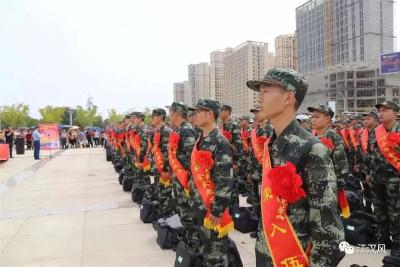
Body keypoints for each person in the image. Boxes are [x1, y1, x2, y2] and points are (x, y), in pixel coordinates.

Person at [247, 68, 345, 266]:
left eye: (266, 91)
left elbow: (329, 234)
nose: (259, 98)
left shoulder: (312, 149)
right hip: (267, 254)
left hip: (293, 257)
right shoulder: (272, 144)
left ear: (288, 98)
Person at [191, 98, 234, 267]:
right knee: (205, 250)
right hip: (199, 204)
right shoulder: (201, 139)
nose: (194, 116)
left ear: (209, 114)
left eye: (198, 112)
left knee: (216, 254)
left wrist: (217, 210)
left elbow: (225, 180)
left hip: (212, 209)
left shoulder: (219, 141)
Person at [367, 101, 400, 256]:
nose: (380, 113)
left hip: (395, 180)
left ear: (395, 113)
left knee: (396, 213)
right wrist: (368, 173)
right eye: (379, 110)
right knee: (380, 211)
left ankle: (397, 243)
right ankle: (384, 239)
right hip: (376, 179)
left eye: (385, 110)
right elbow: (370, 154)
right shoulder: (375, 132)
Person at [308, 104, 350, 218]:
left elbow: (342, 165)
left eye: (317, 117)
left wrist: (338, 187)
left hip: (328, 188)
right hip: (311, 186)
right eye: (312, 117)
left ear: (327, 119)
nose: (313, 120)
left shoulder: (334, 137)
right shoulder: (310, 136)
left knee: (328, 219)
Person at [167, 101, 198, 250]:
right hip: (179, 179)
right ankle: (186, 240)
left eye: (170, 112)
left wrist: (189, 181)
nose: (169, 115)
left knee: (188, 213)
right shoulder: (178, 129)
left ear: (176, 113)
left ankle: (192, 244)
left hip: (185, 181)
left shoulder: (186, 130)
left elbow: (192, 158)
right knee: (182, 211)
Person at [219, 104, 244, 211]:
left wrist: (236, 162)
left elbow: (238, 145)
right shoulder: (221, 127)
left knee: (233, 186)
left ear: (228, 113)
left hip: (232, 162)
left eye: (222, 111)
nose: (220, 113)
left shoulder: (233, 125)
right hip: (223, 163)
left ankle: (234, 211)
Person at [151, 108, 174, 217]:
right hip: (158, 168)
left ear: (161, 117)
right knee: (160, 193)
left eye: (154, 115)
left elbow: (168, 153)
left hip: (164, 170)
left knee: (165, 195)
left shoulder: (166, 131)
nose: (152, 117)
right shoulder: (158, 130)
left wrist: (165, 169)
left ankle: (168, 219)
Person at [359, 110, 379, 214]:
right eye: (364, 119)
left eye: (368, 118)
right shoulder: (363, 132)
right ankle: (367, 217)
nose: (365, 121)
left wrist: (370, 173)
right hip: (363, 170)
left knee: (377, 199)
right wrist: (357, 163)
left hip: (375, 173)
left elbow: (376, 157)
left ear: (376, 120)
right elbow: (360, 150)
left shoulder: (380, 133)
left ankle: (377, 221)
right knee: (366, 194)